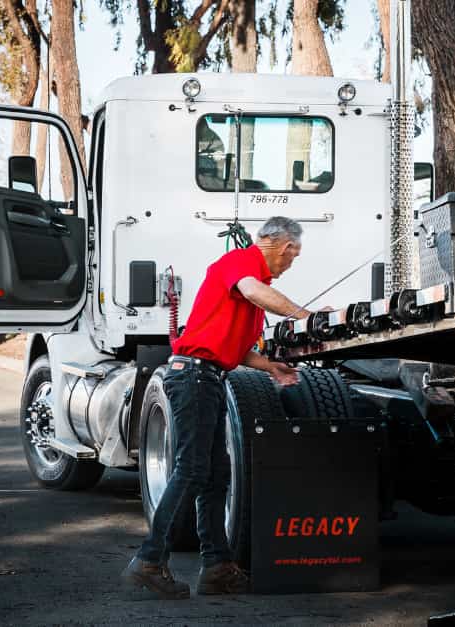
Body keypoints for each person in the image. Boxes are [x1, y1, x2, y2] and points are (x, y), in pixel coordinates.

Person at [121, 216, 317, 600]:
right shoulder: (241, 264)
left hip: (207, 377)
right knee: (193, 469)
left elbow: (235, 348)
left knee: (214, 477)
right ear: (282, 245)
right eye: (294, 253)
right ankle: (149, 561)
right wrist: (303, 315)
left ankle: (216, 568)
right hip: (193, 376)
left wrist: (269, 366)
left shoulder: (253, 287)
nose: (294, 260)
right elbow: (255, 292)